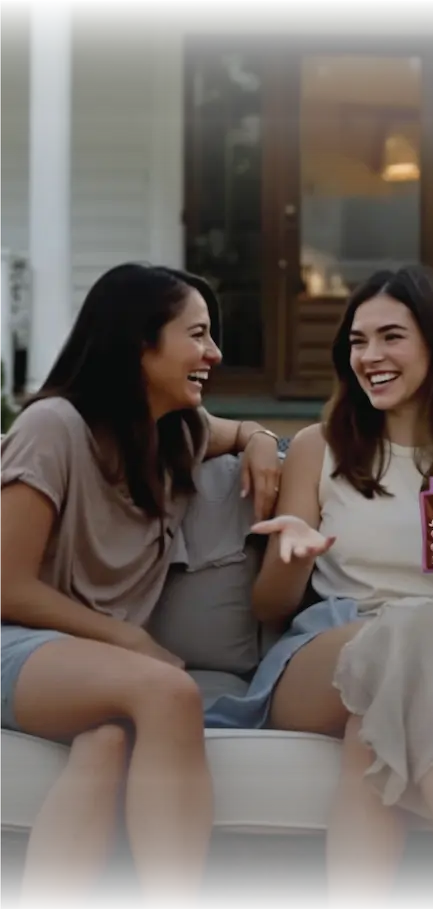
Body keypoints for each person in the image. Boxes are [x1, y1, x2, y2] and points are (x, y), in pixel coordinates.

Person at [240, 265, 433, 909]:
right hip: (331, 642)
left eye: (390, 338)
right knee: (409, 629)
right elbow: (268, 609)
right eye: (357, 341)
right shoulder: (320, 448)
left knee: (383, 709)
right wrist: (293, 555)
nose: (370, 357)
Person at [0, 262, 281, 909]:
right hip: (16, 645)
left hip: (84, 670)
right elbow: (7, 585)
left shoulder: (173, 436)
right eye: (198, 334)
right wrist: (129, 639)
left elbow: (238, 431)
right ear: (139, 342)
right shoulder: (54, 426)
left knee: (106, 745)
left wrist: (263, 441)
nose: (213, 353)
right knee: (168, 692)